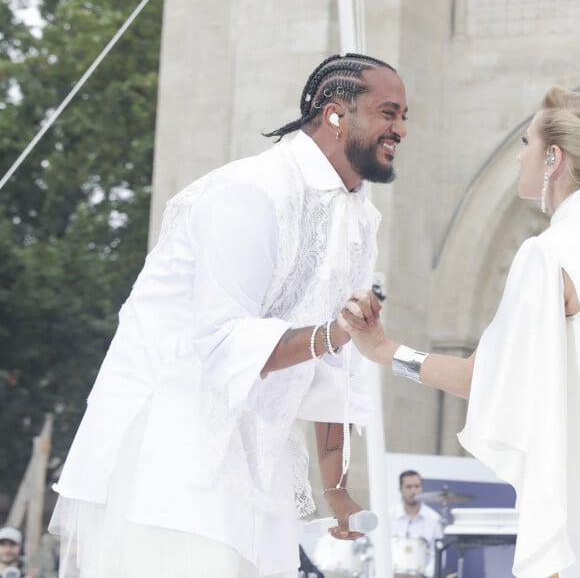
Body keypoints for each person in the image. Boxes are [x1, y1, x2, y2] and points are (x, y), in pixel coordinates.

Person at [48, 52, 409, 578]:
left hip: (259, 455)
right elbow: (222, 342)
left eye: (404, 117)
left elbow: (336, 364)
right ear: (335, 114)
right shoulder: (250, 191)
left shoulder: (360, 219)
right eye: (388, 113)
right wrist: (333, 335)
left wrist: (336, 490)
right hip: (175, 447)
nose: (400, 129)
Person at [339, 85, 580, 578]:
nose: (519, 157)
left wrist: (383, 350)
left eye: (526, 144)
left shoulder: (547, 254)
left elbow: (481, 379)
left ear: (553, 157)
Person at [390, 470, 442, 578]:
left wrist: (425, 575)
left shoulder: (434, 519)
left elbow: (438, 556)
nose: (413, 491)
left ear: (422, 488)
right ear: (401, 489)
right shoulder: (389, 516)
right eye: (408, 487)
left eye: (417, 486)